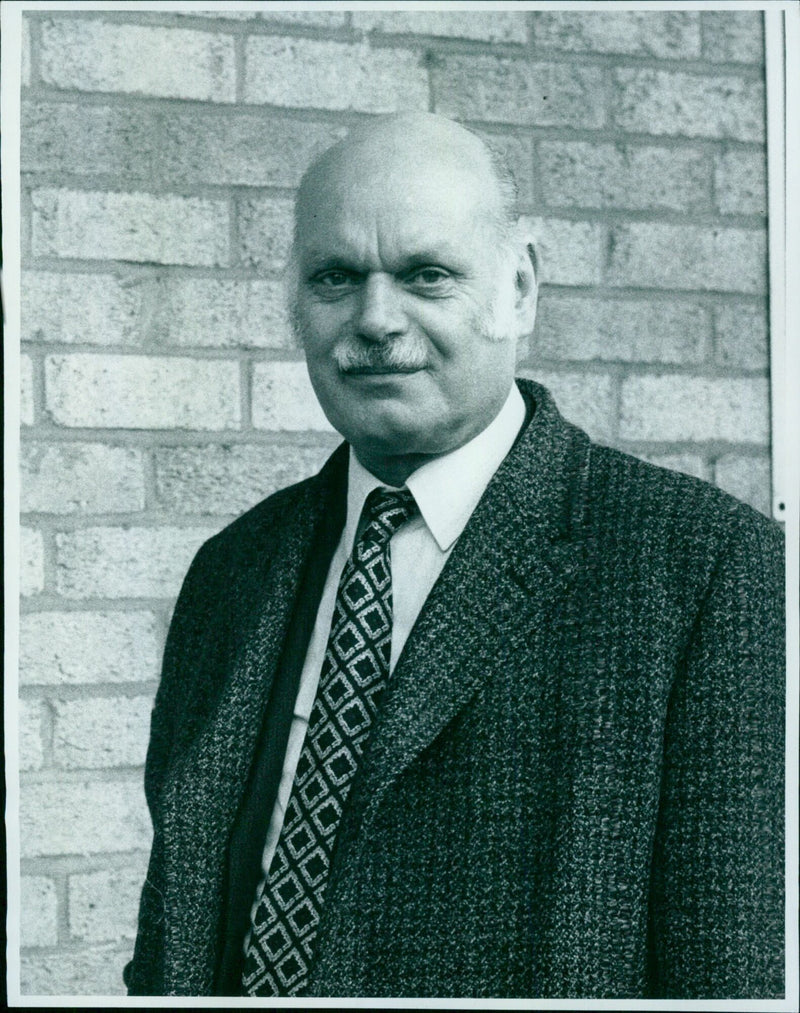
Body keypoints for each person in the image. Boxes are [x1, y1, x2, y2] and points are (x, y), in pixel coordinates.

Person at [125, 112, 784, 999]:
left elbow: (734, 975)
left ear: (519, 287)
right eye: (335, 278)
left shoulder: (707, 572)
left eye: (427, 274)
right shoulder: (232, 572)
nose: (375, 319)